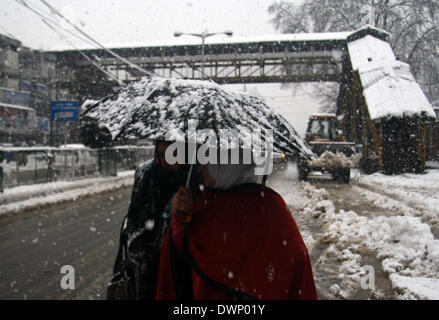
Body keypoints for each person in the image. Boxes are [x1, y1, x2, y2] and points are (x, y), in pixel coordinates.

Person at [155, 153, 318, 300]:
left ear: (225, 168)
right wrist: (180, 216)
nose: (200, 168)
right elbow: (182, 251)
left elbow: (184, 253)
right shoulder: (271, 206)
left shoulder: (215, 206)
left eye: (207, 162)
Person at [110, 140, 191, 300]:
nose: (165, 161)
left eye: (172, 154)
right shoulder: (147, 175)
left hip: (180, 269)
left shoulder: (196, 176)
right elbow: (137, 225)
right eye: (160, 155)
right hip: (149, 265)